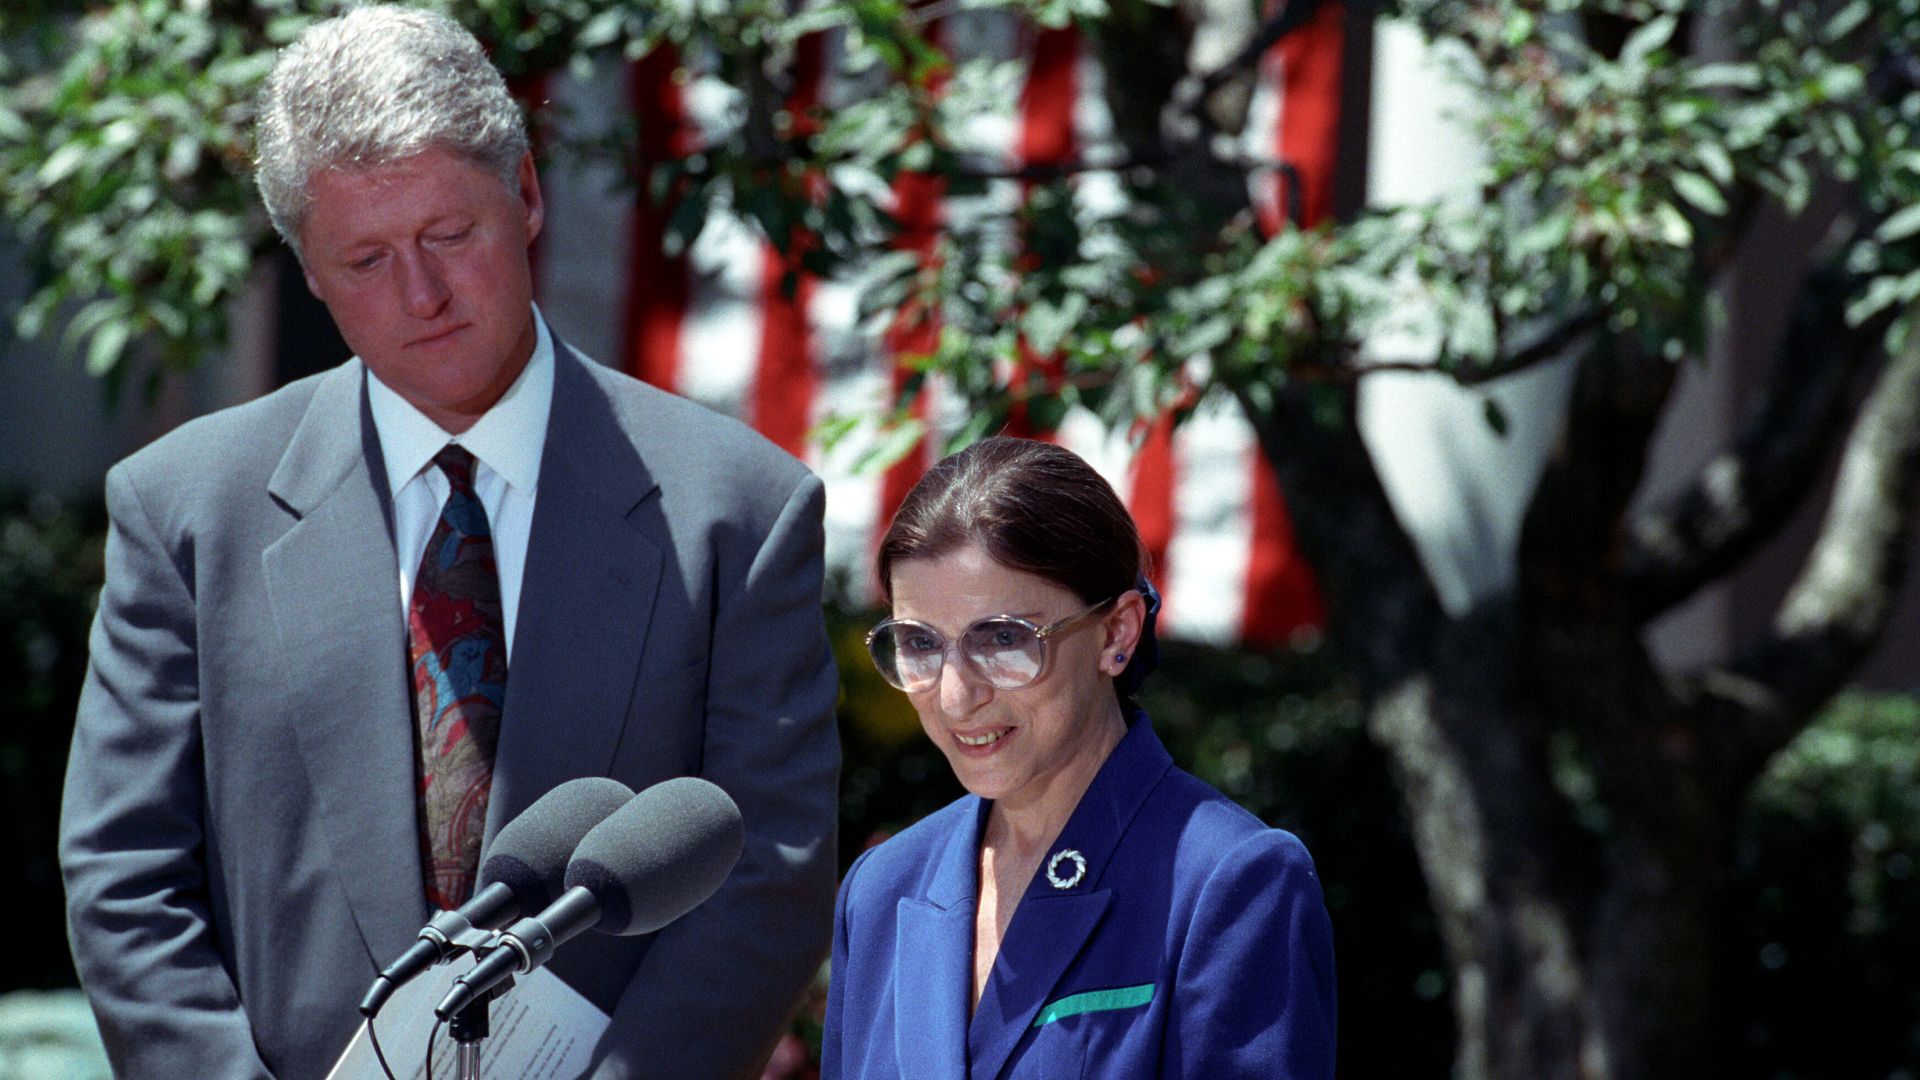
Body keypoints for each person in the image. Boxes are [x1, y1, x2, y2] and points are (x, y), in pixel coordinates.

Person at [56, 7, 839, 1078]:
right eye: (366, 259)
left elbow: (769, 871)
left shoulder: (737, 509)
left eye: (449, 236)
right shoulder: (184, 510)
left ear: (526, 195)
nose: (420, 296)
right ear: (308, 270)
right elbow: (126, 874)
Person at [821, 436, 1336, 1078]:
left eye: (1002, 638)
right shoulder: (881, 889)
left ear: (1117, 633)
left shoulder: (1230, 882)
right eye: (919, 644)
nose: (956, 696)